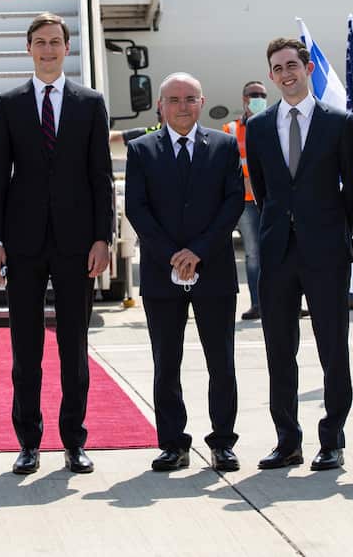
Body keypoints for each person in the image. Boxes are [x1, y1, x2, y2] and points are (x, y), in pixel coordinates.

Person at [0, 12, 114, 475]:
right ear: (29, 49)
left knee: (74, 347)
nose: (48, 49)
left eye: (56, 42)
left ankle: (74, 441)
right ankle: (28, 441)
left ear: (67, 47)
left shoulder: (89, 102)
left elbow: (101, 177)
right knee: (27, 348)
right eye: (40, 42)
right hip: (22, 243)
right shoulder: (10, 103)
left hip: (78, 244)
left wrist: (104, 236)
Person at [244, 39, 353, 471]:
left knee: (333, 348)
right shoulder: (258, 128)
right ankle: (287, 439)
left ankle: (332, 440)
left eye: (292, 64)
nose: (285, 73)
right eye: (277, 68)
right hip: (277, 252)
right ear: (272, 75)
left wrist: (344, 235)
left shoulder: (337, 122)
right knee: (280, 349)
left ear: (307, 67)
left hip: (326, 250)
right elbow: (263, 190)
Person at [124, 73, 245, 472]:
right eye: (173, 99)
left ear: (202, 101)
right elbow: (137, 209)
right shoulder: (141, 149)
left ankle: (223, 441)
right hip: (162, 272)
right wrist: (174, 255)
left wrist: (199, 251)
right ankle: (172, 443)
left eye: (190, 98)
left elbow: (232, 203)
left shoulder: (224, 146)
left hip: (214, 270)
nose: (182, 106)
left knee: (221, 362)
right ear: (160, 105)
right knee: (166, 362)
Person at [222, 81, 268, 320]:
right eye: (253, 94)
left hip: (271, 199)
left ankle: (289, 301)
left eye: (262, 94)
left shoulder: (273, 123)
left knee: (284, 250)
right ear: (244, 99)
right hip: (248, 201)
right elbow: (226, 167)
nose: (258, 98)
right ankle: (258, 304)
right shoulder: (230, 129)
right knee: (253, 254)